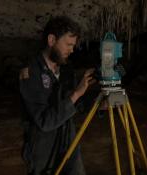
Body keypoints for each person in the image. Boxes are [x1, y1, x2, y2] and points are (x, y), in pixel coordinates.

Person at [19, 15, 94, 175]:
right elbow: (44, 121)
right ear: (52, 40)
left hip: (68, 143)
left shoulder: (66, 69)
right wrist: (76, 94)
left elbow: (77, 105)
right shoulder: (31, 72)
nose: (72, 50)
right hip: (43, 149)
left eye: (73, 45)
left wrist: (100, 103)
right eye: (68, 44)